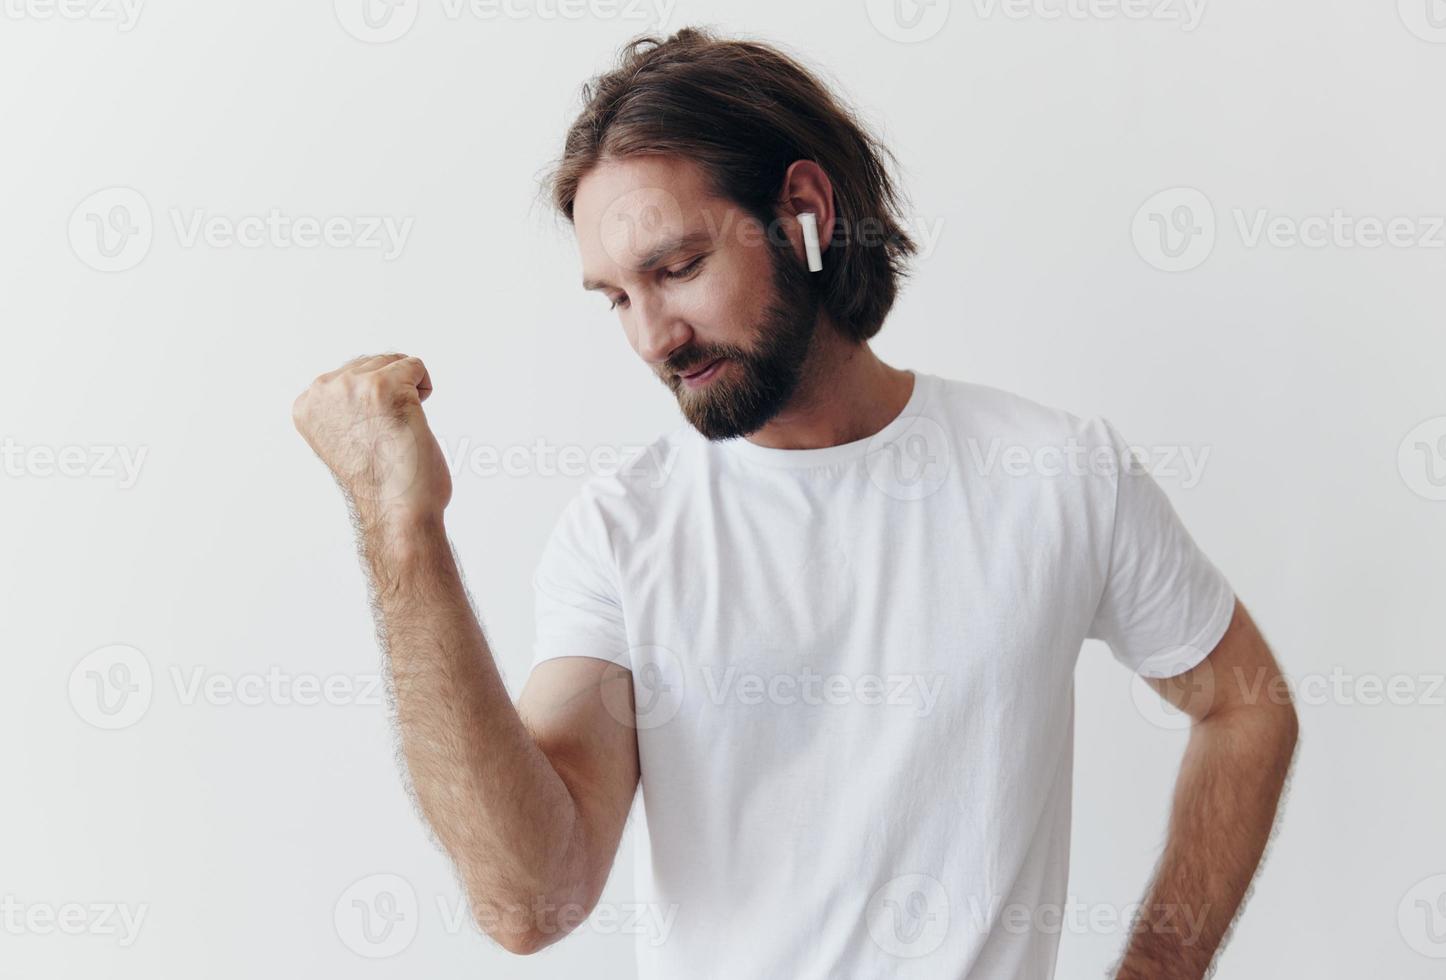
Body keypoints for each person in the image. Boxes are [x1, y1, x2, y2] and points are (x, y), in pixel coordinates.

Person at [291, 27, 1298, 980]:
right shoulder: (623, 532)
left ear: (806, 210)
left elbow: (1245, 708)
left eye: (677, 268)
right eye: (615, 296)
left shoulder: (1056, 472)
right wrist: (401, 531)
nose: (651, 337)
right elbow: (530, 902)